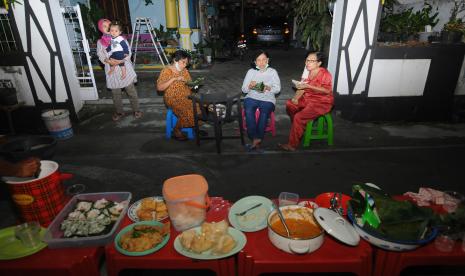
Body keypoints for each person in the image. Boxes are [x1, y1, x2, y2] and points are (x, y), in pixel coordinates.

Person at [278, 51, 334, 151]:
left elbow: (327, 90)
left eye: (311, 61)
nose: (308, 63)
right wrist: (295, 98)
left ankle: (292, 145)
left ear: (319, 63)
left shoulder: (325, 74)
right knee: (290, 104)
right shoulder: (307, 71)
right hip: (308, 99)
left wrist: (309, 86)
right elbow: (301, 88)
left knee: (299, 117)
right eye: (307, 60)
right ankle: (299, 126)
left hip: (321, 102)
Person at [96, 18, 143, 121]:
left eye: (108, 24)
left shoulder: (121, 38)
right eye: (104, 26)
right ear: (100, 29)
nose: (107, 27)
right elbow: (100, 55)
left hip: (124, 67)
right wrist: (108, 61)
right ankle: (119, 112)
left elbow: (128, 52)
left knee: (131, 91)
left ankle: (136, 110)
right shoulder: (100, 42)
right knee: (115, 93)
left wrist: (119, 60)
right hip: (111, 70)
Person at [241, 50, 281, 151]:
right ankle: (255, 137)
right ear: (255, 62)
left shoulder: (272, 72)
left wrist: (268, 88)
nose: (261, 62)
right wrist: (250, 86)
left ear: (268, 60)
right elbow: (244, 89)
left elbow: (277, 89)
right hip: (252, 96)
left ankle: (257, 138)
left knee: (264, 112)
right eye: (258, 60)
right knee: (249, 110)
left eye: (264, 60)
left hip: (268, 98)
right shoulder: (251, 72)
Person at [156, 50, 195, 141]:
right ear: (175, 60)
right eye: (183, 62)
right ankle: (177, 129)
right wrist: (174, 79)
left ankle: (194, 126)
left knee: (201, 107)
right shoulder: (166, 71)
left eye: (186, 63)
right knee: (188, 111)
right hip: (172, 99)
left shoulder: (184, 70)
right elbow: (159, 88)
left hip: (186, 96)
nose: (185, 65)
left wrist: (194, 85)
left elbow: (189, 83)